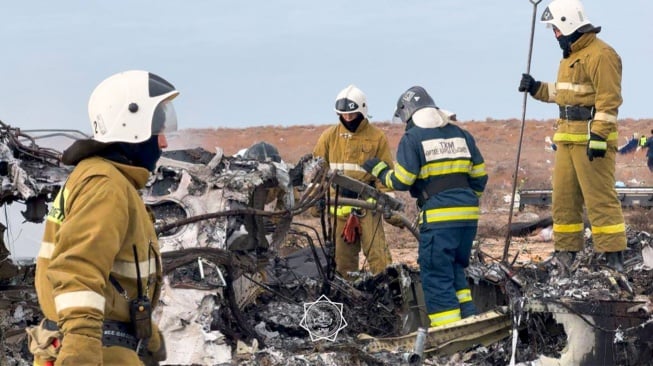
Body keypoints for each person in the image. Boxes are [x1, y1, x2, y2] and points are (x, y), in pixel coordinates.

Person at [30, 70, 179, 365]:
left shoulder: (106, 180)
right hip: (98, 352)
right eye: (158, 130)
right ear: (132, 124)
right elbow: (78, 268)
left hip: (109, 346)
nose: (163, 143)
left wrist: (147, 334)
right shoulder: (106, 185)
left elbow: (118, 282)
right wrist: (80, 351)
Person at [362, 86, 488, 327]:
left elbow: (402, 180)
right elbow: (480, 177)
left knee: (436, 275)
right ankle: (470, 321)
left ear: (408, 114)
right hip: (468, 218)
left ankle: (448, 333)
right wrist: (464, 202)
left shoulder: (413, 138)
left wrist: (379, 169)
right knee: (455, 270)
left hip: (439, 220)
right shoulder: (461, 135)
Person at [518, 0, 626, 271]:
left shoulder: (601, 55)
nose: (555, 34)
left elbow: (608, 99)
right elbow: (563, 94)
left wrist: (599, 136)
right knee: (564, 200)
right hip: (566, 139)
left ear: (568, 24)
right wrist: (536, 88)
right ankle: (565, 253)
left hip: (591, 141)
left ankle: (613, 257)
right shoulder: (569, 58)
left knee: (600, 199)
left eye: (555, 28)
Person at [312, 84, 395, 278]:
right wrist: (315, 199)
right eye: (343, 115)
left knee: (378, 258)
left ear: (362, 111)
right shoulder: (329, 137)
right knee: (342, 264)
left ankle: (388, 295)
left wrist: (390, 206)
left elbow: (385, 175)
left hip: (367, 208)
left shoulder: (377, 138)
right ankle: (349, 301)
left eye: (352, 114)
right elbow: (316, 172)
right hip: (338, 211)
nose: (348, 118)